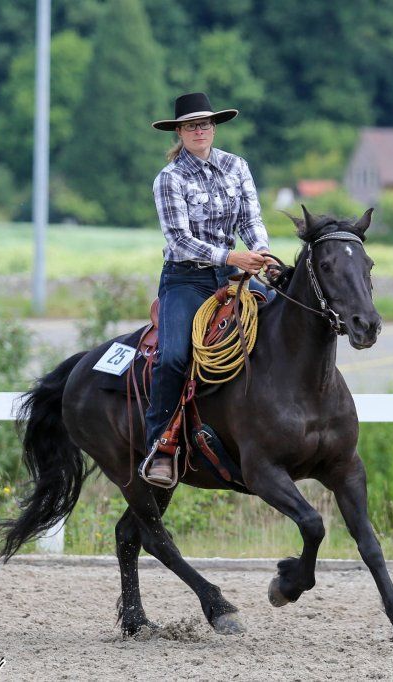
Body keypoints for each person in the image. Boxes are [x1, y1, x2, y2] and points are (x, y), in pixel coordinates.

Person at [141, 92, 275, 488]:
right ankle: (161, 445)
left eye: (205, 124)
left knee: (282, 325)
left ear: (213, 128)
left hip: (234, 277)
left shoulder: (236, 166)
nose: (199, 130)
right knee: (173, 358)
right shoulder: (169, 179)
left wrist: (261, 252)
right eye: (190, 125)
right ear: (179, 132)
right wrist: (233, 259)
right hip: (187, 279)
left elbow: (251, 219)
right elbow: (179, 240)